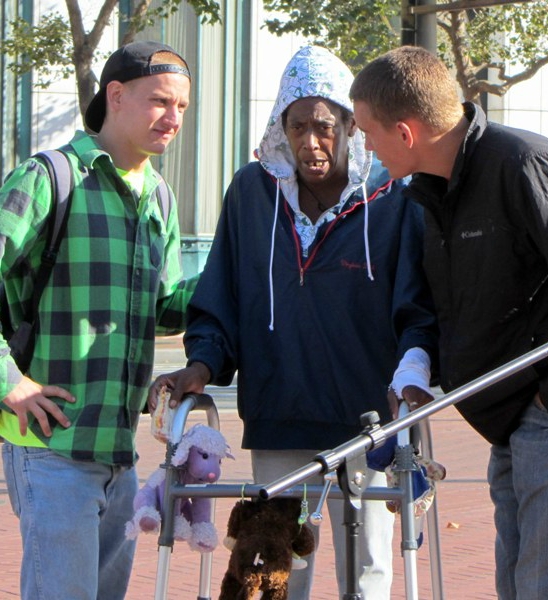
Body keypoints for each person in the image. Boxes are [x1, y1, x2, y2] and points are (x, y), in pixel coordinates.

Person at [148, 45, 438, 599]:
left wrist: (414, 369)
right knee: (278, 565)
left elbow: (417, 307)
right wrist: (203, 362)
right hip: (281, 420)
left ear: (352, 126)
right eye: (298, 125)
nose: (311, 142)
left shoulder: (392, 198)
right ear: (281, 124)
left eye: (325, 126)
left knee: (367, 570)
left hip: (368, 427)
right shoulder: (251, 195)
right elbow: (222, 296)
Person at [349, 45, 548, 600]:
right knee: (520, 589)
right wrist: (421, 366)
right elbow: (465, 305)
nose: (363, 145)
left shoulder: (525, 166)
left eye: (367, 130)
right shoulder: (432, 194)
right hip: (510, 423)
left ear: (406, 132)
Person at [0, 41, 198, 600]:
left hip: (120, 458)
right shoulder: (48, 178)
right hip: (52, 450)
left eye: (183, 107)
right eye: (161, 101)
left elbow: (168, 306)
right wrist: (10, 384)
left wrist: (248, 277)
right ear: (115, 96)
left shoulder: (159, 195)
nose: (174, 118)